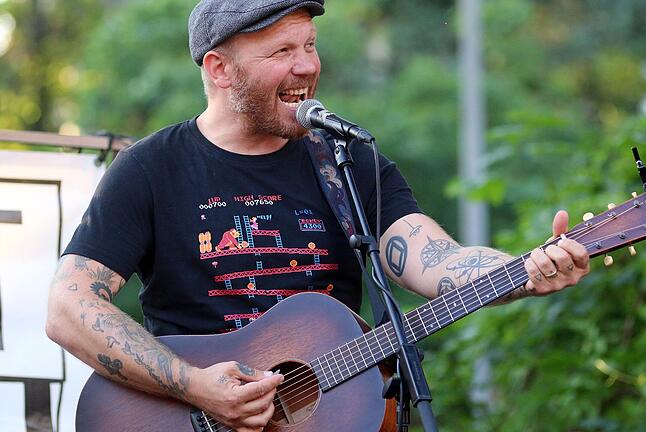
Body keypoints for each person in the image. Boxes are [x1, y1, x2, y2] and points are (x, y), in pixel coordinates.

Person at [45, 1, 590, 431]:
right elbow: (68, 307)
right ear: (220, 69)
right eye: (281, 51)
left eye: (310, 45)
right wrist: (195, 385)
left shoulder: (347, 162)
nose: (306, 65)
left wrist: (526, 268)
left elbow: (437, 260)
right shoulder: (152, 168)